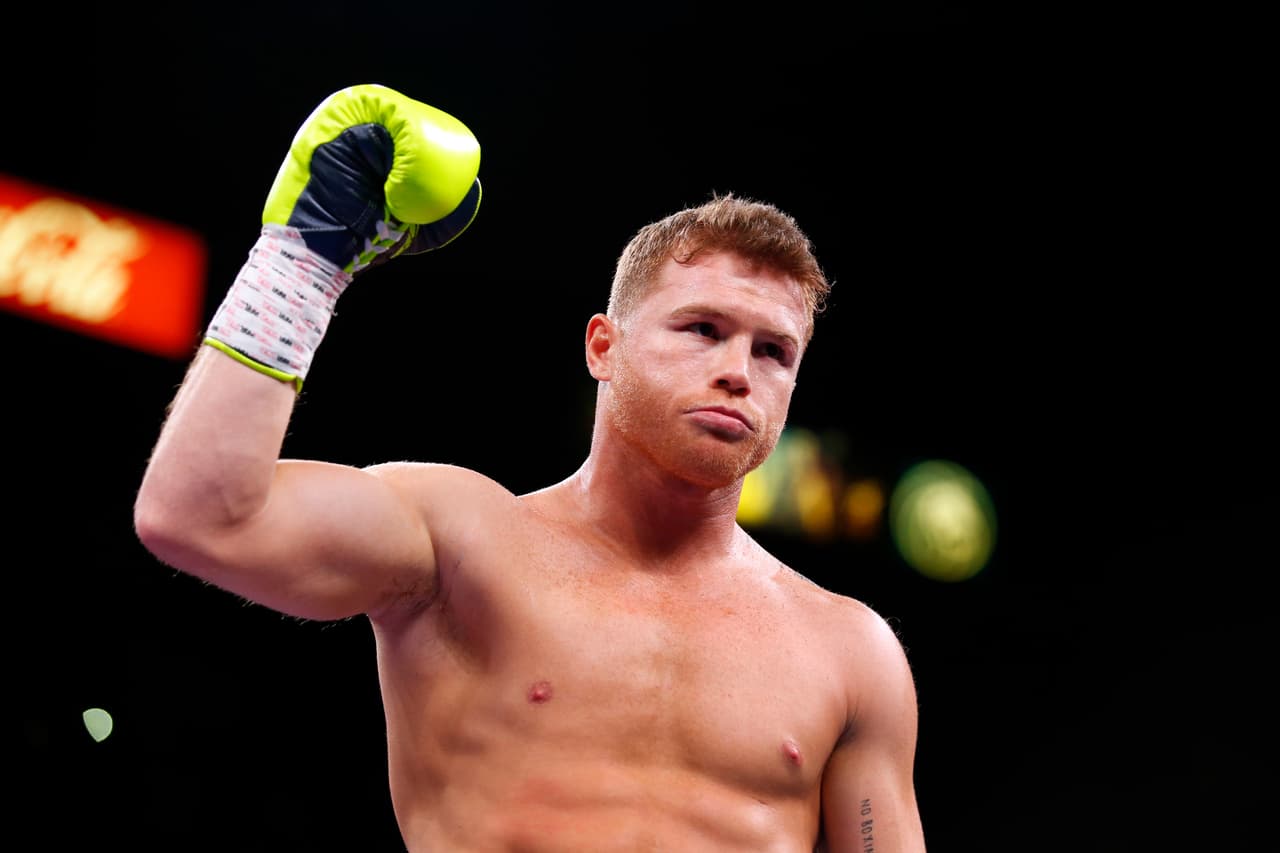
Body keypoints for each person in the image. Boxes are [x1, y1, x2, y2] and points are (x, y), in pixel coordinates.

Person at [134, 83, 927, 852]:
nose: (737, 370)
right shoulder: (460, 542)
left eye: (773, 350)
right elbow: (200, 514)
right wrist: (303, 262)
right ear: (602, 348)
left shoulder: (849, 650)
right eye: (702, 327)